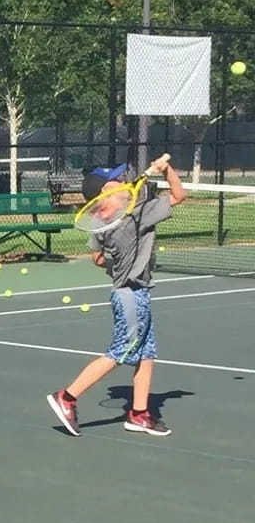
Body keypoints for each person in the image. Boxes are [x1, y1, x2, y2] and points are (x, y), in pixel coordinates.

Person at [46, 157, 185, 437]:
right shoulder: (136, 216)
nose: (123, 182)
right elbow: (179, 195)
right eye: (116, 181)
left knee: (146, 354)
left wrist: (118, 268)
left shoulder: (100, 223)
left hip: (129, 292)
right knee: (120, 351)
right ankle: (67, 397)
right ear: (106, 193)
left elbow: (98, 258)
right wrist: (167, 169)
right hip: (132, 295)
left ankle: (139, 414)